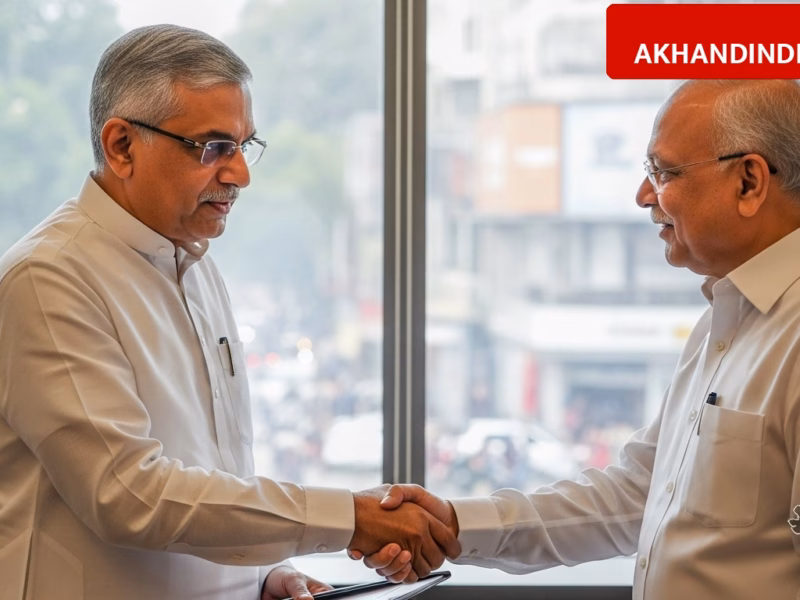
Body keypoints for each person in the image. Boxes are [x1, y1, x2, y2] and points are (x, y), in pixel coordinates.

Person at [0, 24, 458, 600]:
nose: (240, 174)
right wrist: (349, 518)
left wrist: (265, 574)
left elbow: (214, 478)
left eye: (245, 146)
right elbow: (128, 496)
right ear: (122, 146)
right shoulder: (49, 278)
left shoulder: (195, 264)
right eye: (213, 147)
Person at [358, 79, 800, 598]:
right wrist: (454, 524)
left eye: (664, 173)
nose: (644, 196)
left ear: (749, 182)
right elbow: (638, 495)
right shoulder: (723, 320)